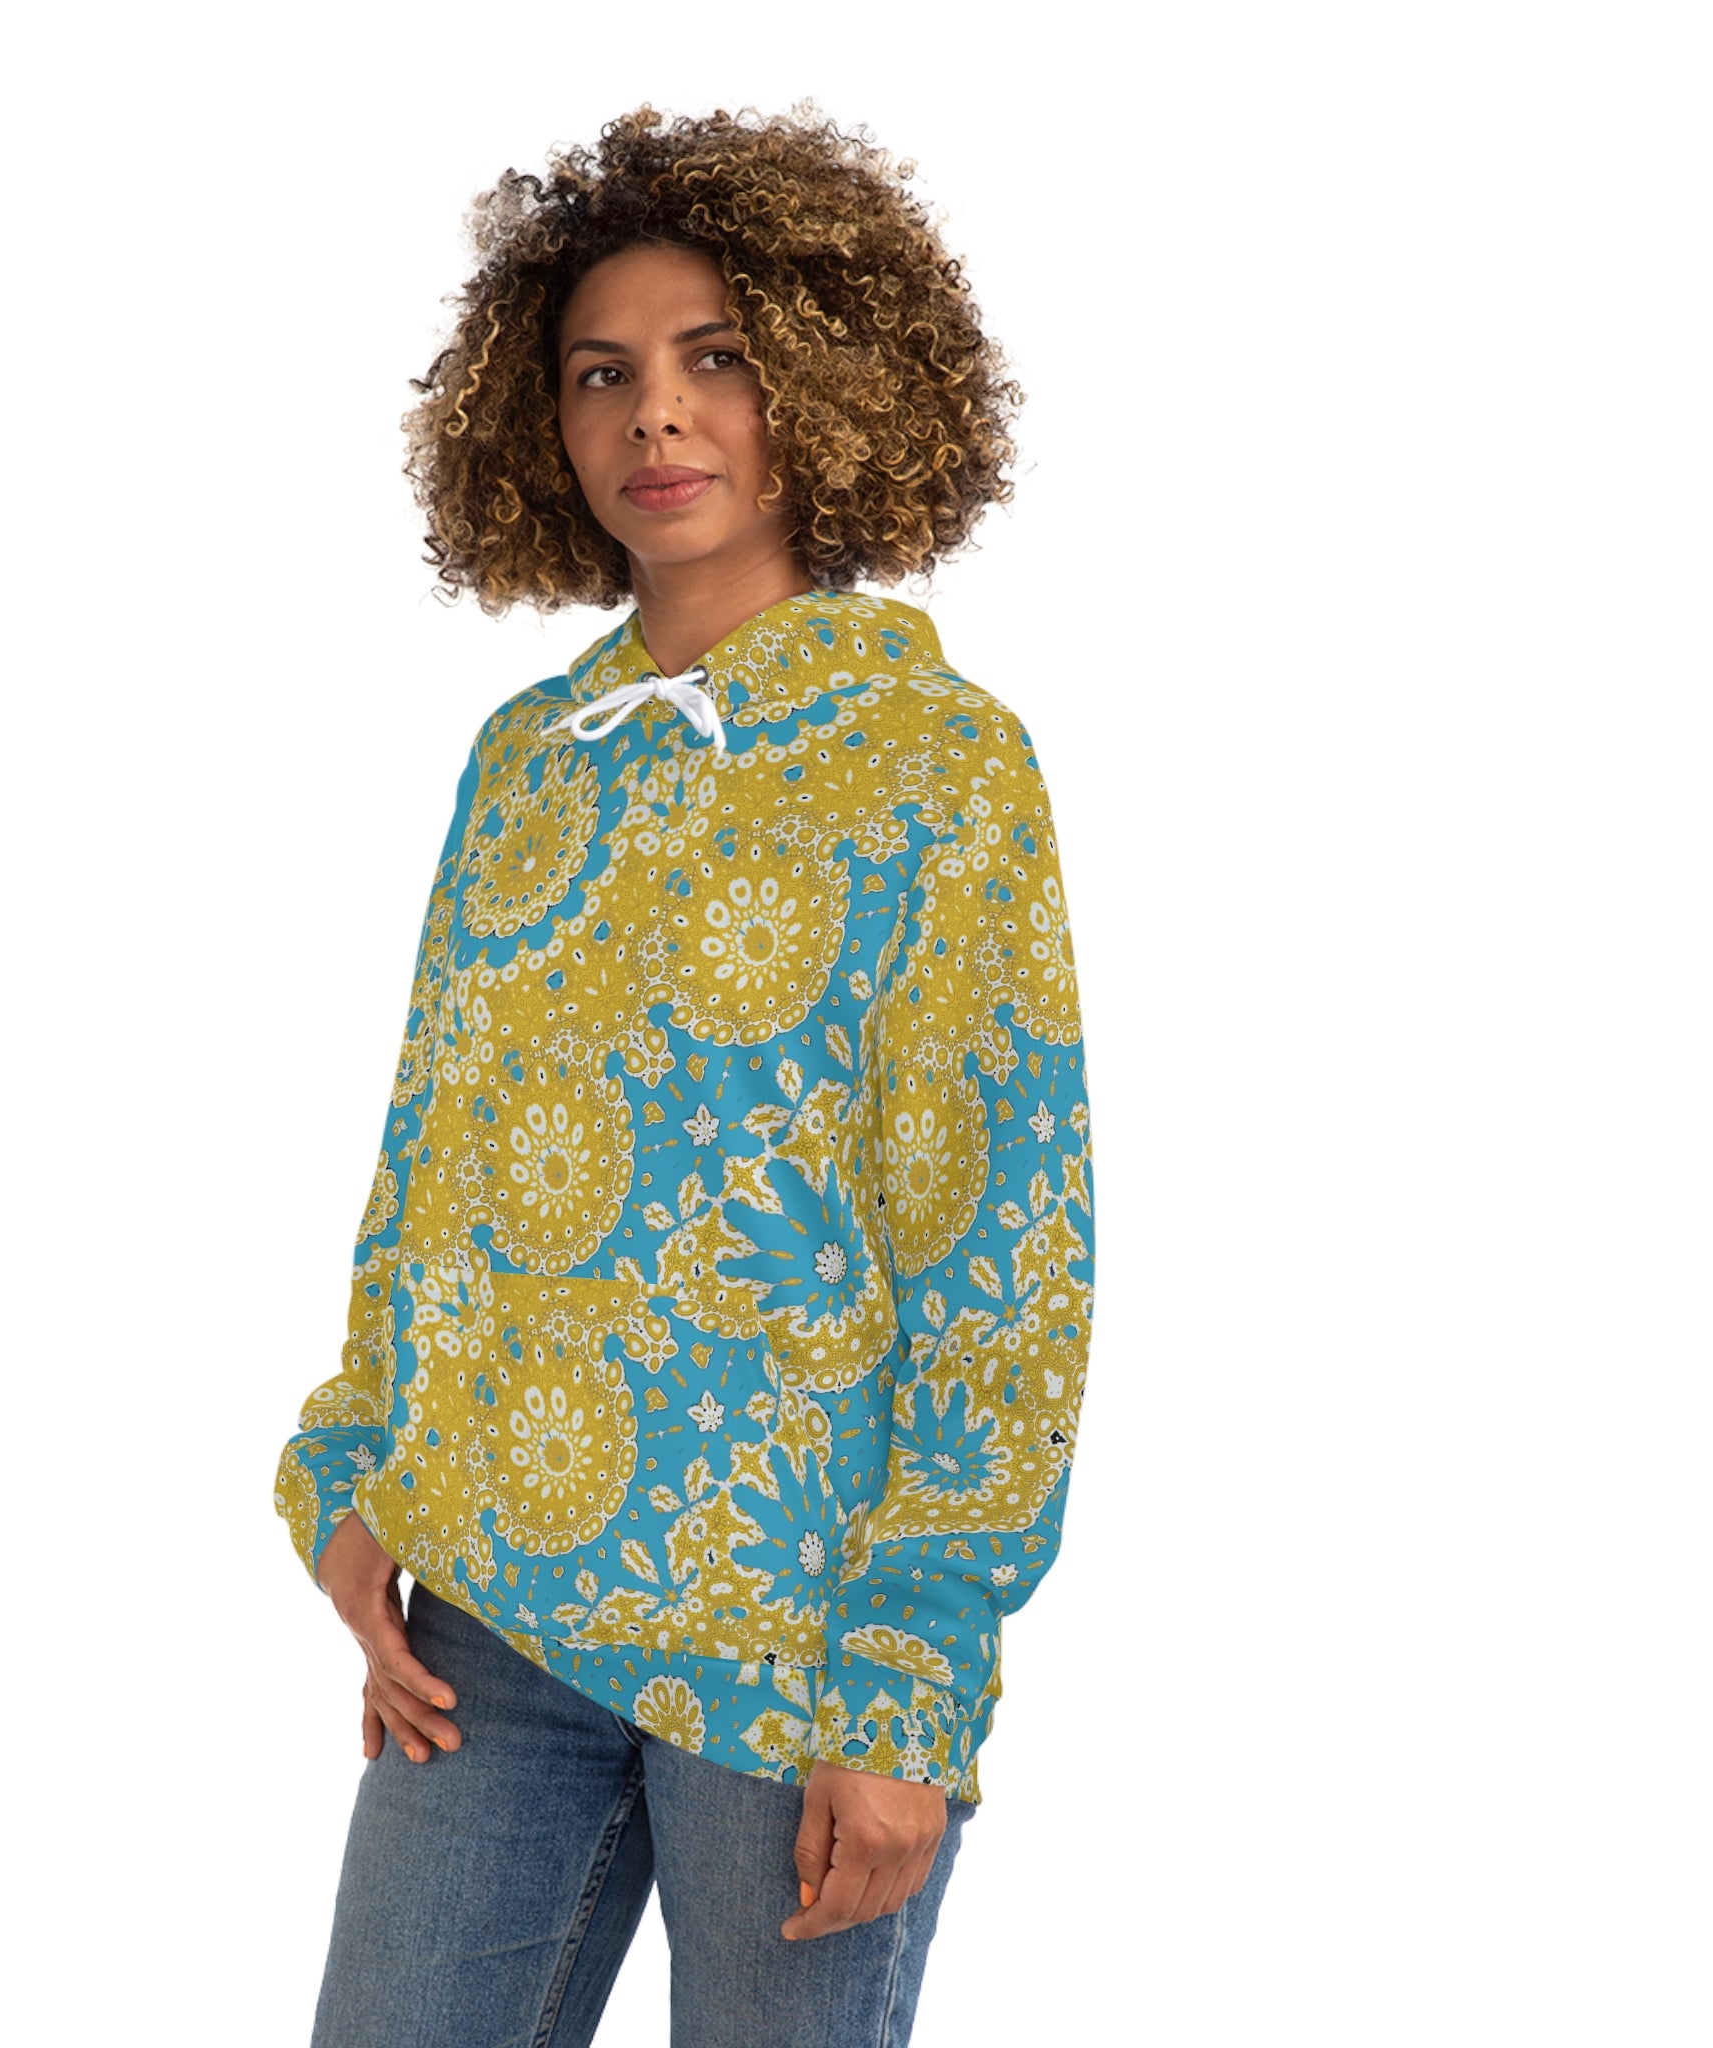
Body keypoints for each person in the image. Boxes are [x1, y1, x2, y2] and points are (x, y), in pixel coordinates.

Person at [272, 104, 1097, 2048]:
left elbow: (1002, 1240)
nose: (655, 412)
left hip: (796, 1653)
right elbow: (437, 1151)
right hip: (493, 1615)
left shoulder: (934, 762)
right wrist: (355, 1467)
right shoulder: (527, 763)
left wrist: (909, 1684)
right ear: (538, 425)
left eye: (714, 356)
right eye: (601, 372)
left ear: (821, 379)